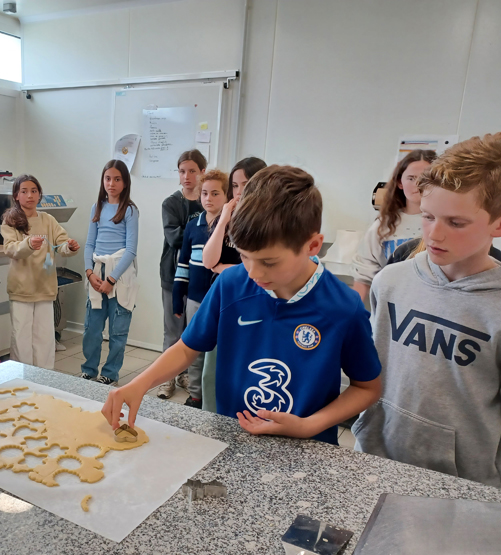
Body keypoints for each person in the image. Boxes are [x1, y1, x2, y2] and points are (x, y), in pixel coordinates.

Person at [103, 165, 382, 445]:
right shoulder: (232, 284)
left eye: (269, 262)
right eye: (244, 256)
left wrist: (309, 426)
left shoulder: (343, 307)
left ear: (312, 246)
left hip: (308, 446)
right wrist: (138, 384)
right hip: (233, 437)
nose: (254, 273)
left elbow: (367, 388)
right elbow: (188, 348)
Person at [352, 132, 501, 488]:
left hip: (461, 480)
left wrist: (458, 446)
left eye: (456, 222)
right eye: (429, 216)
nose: (434, 234)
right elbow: (375, 365)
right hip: (373, 457)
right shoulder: (391, 281)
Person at [200, 157, 267, 412]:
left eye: (246, 184)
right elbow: (208, 261)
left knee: (248, 367)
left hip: (255, 298)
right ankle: (210, 419)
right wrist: (225, 215)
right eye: (235, 186)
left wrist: (226, 268)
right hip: (225, 297)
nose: (240, 192)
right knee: (212, 369)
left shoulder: (267, 222)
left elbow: (261, 268)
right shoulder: (226, 217)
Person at [1, 174, 79, 369]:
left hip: (45, 287)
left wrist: (69, 247)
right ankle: (23, 376)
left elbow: (61, 243)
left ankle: (45, 376)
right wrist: (28, 243)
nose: (29, 196)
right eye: (24, 191)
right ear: (16, 196)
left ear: (39, 195)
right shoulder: (10, 221)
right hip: (21, 289)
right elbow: (11, 249)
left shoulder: (48, 219)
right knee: (22, 337)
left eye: (34, 191)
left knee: (44, 337)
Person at [172, 169, 230, 409]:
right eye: (205, 193)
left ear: (226, 196)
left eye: (215, 193)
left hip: (220, 301)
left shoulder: (230, 226)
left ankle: (212, 397)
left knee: (215, 355)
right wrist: (178, 295)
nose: (209, 199)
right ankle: (196, 395)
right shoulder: (193, 226)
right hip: (195, 300)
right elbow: (183, 262)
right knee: (194, 350)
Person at [79, 159, 139, 385]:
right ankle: (89, 369)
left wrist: (111, 280)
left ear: (125, 182)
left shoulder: (130, 210)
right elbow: (89, 245)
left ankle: (110, 373)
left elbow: (131, 249)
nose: (111, 184)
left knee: (118, 331)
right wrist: (89, 273)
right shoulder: (97, 207)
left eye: (117, 179)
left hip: (120, 276)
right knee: (92, 329)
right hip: (97, 272)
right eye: (107, 178)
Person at [352, 150, 437, 301]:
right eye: (411, 178)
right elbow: (365, 273)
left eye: (425, 179)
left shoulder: (443, 223)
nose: (417, 184)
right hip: (391, 305)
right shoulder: (383, 225)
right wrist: (351, 314)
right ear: (400, 183)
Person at [157, 149, 207, 399]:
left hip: (201, 279)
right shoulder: (171, 203)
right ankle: (167, 378)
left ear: (202, 173)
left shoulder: (207, 201)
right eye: (182, 171)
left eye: (192, 171)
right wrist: (199, 234)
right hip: (172, 274)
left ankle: (186, 374)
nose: (186, 176)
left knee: (194, 331)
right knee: (173, 330)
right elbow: (175, 238)